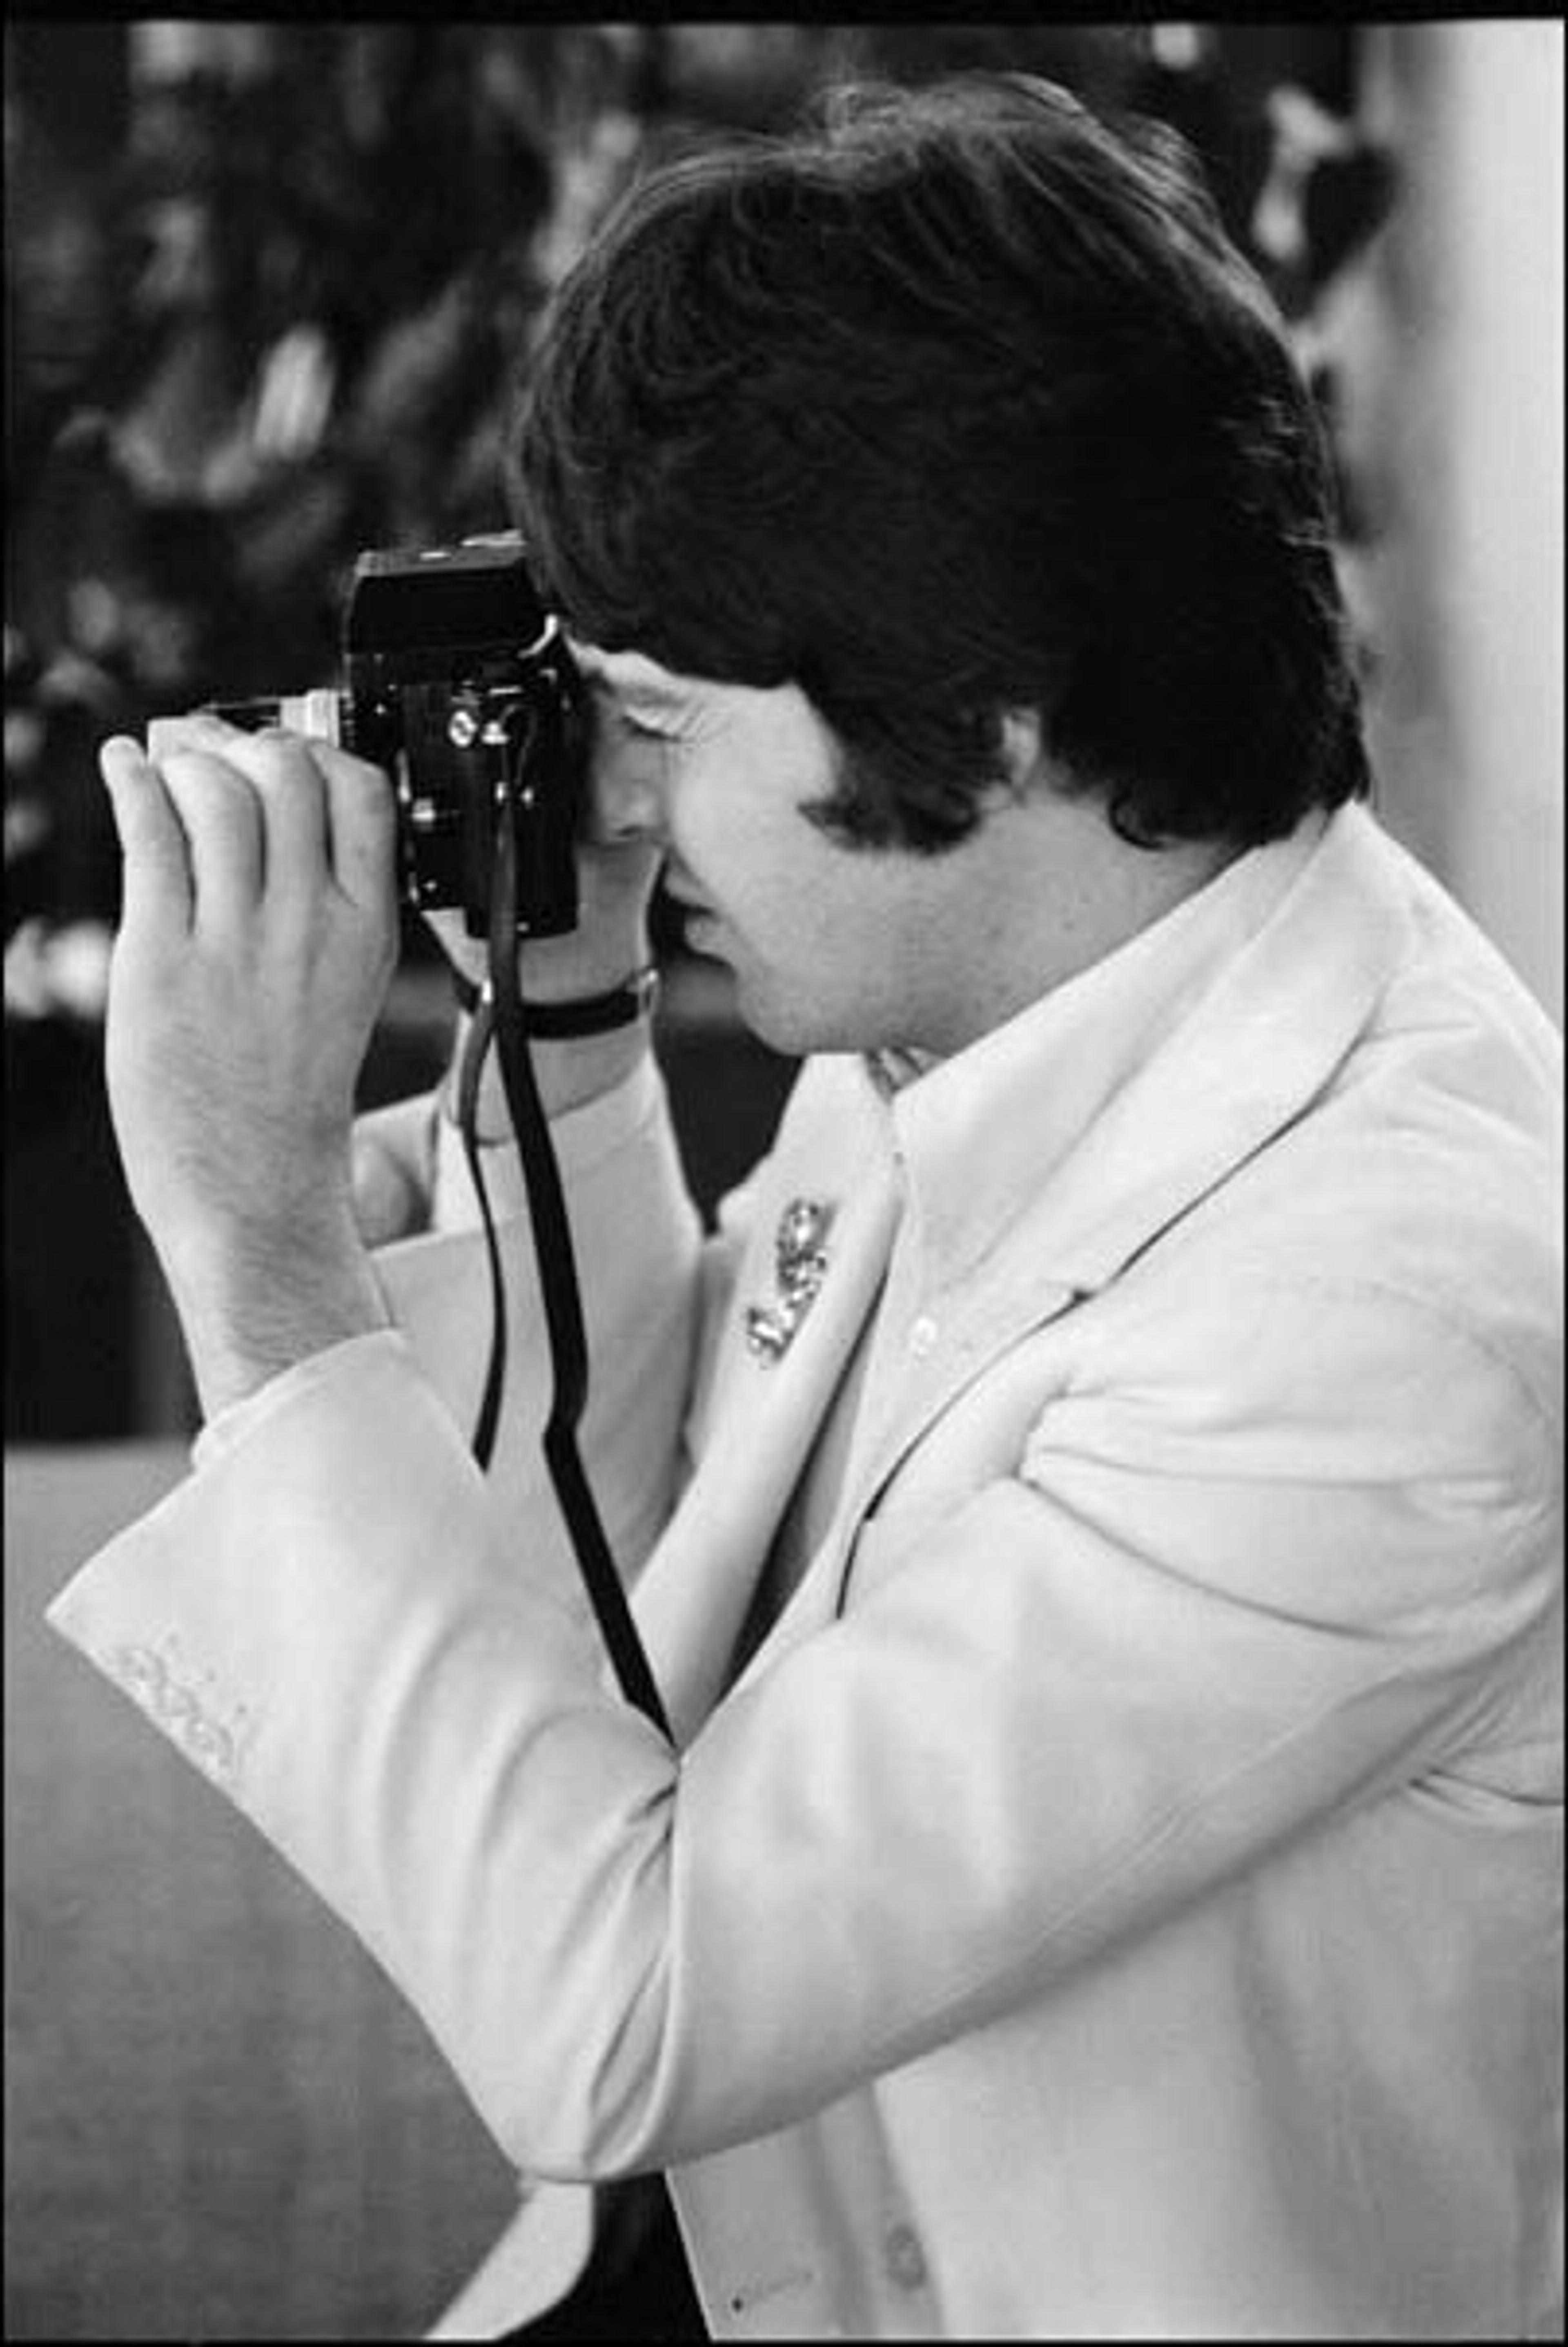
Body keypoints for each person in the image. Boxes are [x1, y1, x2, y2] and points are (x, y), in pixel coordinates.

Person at [47, 72, 1561, 2343]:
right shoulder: (1021, 988)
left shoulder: (1385, 1318)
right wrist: (557, 1033)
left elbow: (622, 2007)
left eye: (659, 713)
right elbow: (672, 1569)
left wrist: (253, 1252)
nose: (618, 792)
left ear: (1005, 720)